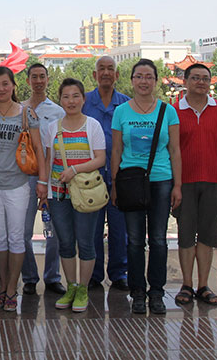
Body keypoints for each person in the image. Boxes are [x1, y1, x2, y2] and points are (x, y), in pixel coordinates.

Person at [111, 58, 182, 315]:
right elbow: (116, 150)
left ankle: (157, 292)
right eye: (139, 76)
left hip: (161, 180)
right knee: (134, 241)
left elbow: (175, 150)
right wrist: (115, 185)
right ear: (131, 81)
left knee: (159, 240)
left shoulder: (168, 111)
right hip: (130, 181)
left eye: (149, 77)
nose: (144, 81)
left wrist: (178, 185)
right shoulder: (121, 112)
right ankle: (137, 291)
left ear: (156, 81)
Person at [0, 67, 47, 312]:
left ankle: (12, 289)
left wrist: (42, 182)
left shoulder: (27, 114)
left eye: (5, 84)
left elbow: (39, 149)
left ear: (14, 86)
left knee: (16, 238)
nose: (1, 88)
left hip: (18, 186)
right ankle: (2, 286)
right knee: (0, 237)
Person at [44, 78, 106, 313]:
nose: (71, 101)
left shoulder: (92, 126)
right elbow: (49, 161)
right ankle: (71, 286)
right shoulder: (53, 128)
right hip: (59, 195)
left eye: (75, 96)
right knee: (66, 243)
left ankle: (83, 289)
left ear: (83, 99)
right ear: (60, 100)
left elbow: (100, 159)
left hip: (85, 193)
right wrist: (44, 189)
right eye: (66, 97)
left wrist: (75, 170)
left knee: (86, 243)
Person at [172, 63, 217, 306]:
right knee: (185, 235)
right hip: (184, 182)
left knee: (208, 235)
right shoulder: (173, 111)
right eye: (195, 78)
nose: (201, 82)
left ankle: (203, 285)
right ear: (185, 82)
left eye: (205, 78)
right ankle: (186, 284)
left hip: (214, 180)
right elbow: (171, 147)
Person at [82, 56, 130, 291]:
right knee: (92, 230)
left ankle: (119, 273)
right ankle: (94, 274)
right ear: (94, 75)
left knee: (120, 230)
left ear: (117, 75)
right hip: (91, 176)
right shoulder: (84, 102)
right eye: (101, 69)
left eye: (111, 69)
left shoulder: (127, 104)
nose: (106, 73)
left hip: (120, 177)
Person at [22, 63, 66, 296]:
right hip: (25, 177)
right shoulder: (20, 109)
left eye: (42, 76)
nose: (38, 81)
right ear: (27, 80)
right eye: (34, 77)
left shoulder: (58, 111)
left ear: (48, 79)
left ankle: (52, 277)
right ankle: (29, 277)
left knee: (54, 231)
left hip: (52, 176)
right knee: (23, 231)